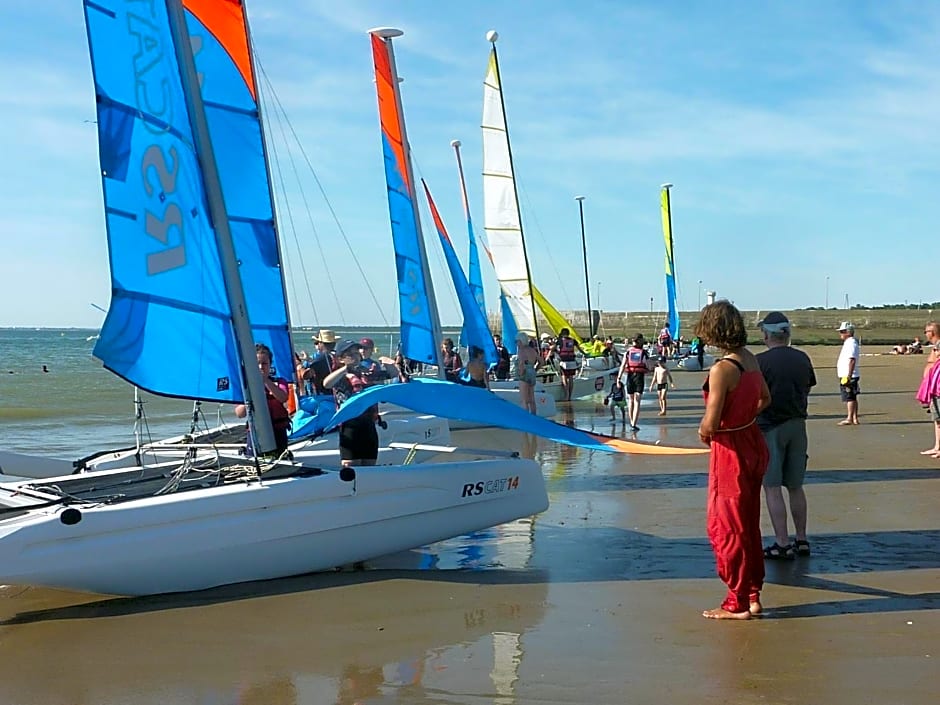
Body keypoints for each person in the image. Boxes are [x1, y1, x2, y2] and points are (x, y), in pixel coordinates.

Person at [696, 301, 771, 620]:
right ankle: (752, 594)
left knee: (726, 526)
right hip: (752, 442)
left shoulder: (722, 369)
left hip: (731, 452)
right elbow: (765, 398)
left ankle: (737, 601)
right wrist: (743, 420)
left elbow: (710, 422)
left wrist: (706, 432)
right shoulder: (750, 359)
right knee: (748, 521)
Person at [756, 311, 817, 560]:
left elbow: (756, 394)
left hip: (770, 426)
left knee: (771, 487)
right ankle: (801, 538)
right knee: (795, 486)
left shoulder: (760, 361)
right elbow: (808, 386)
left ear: (767, 334)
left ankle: (782, 542)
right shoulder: (802, 358)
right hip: (797, 424)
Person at [323, 339, 389, 466]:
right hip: (350, 428)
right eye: (350, 354)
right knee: (350, 467)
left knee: (369, 468)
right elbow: (327, 384)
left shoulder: (367, 373)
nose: (355, 356)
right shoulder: (340, 376)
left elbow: (391, 375)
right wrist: (346, 369)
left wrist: (389, 363)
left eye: (356, 353)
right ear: (341, 358)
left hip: (369, 427)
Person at [235, 343, 291, 455]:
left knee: (278, 458)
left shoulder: (279, 382)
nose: (261, 367)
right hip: (256, 431)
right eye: (257, 364)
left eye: (264, 363)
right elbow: (240, 414)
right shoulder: (246, 386)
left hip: (277, 432)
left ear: (270, 364)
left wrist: (266, 381)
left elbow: (283, 398)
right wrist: (251, 392)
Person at [917, 321, 940, 458]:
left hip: (937, 386)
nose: (925, 334)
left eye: (926, 331)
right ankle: (937, 446)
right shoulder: (935, 346)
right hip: (933, 386)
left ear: (932, 332)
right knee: (936, 418)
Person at [617, 334, 650, 431]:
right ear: (640, 341)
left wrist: (618, 378)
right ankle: (633, 423)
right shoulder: (644, 353)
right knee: (637, 400)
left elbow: (622, 365)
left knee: (631, 400)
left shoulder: (628, 352)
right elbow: (648, 366)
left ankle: (632, 422)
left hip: (630, 377)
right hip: (638, 378)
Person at [836, 321, 861, 425]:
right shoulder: (849, 343)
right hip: (848, 374)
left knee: (849, 397)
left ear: (848, 332)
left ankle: (850, 418)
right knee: (852, 396)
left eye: (842, 331)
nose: (840, 334)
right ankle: (854, 418)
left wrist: (848, 376)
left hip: (848, 375)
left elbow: (852, 359)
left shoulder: (851, 343)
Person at [515, 331, 540, 414]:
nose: (516, 343)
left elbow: (521, 362)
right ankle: (534, 416)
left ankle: (527, 419)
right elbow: (542, 362)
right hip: (532, 372)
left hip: (524, 373)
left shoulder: (521, 350)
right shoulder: (532, 350)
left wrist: (521, 373)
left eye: (517, 341)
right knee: (532, 399)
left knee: (524, 400)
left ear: (520, 341)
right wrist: (535, 369)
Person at [554, 328, 580, 401]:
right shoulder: (573, 340)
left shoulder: (560, 341)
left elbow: (553, 348)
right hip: (572, 361)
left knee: (564, 377)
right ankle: (570, 395)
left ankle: (566, 395)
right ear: (568, 333)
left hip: (564, 361)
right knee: (571, 378)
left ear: (562, 333)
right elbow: (580, 349)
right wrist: (585, 354)